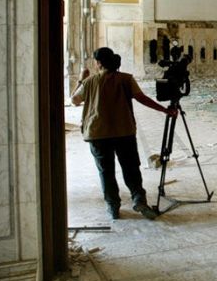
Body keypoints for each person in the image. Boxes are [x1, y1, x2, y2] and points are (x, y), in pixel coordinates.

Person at [71, 47, 177, 220]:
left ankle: (113, 206)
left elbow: (74, 100)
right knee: (131, 168)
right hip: (124, 131)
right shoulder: (126, 79)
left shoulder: (89, 82)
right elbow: (142, 98)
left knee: (106, 172)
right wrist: (165, 110)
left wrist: (80, 81)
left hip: (97, 133)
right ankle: (138, 199)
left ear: (98, 63)